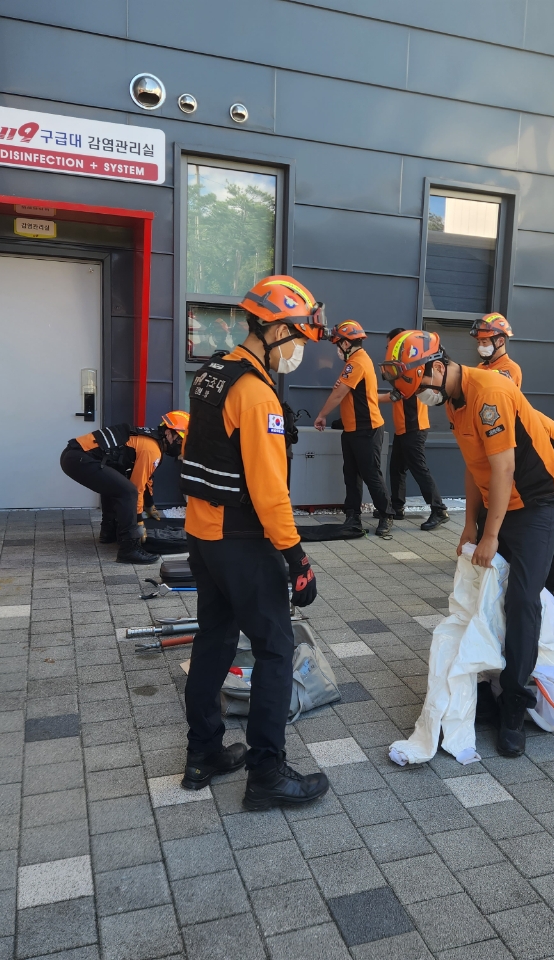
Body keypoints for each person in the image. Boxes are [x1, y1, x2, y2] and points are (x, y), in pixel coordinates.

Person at [380, 330, 554, 757]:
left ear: (437, 367)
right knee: (485, 595)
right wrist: (469, 525)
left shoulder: (489, 393)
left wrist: (490, 535)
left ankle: (515, 703)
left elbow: (503, 469)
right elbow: (474, 464)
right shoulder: (453, 399)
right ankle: (489, 677)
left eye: (419, 386)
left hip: (539, 503)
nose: (419, 397)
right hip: (501, 502)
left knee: (521, 599)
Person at [180, 274, 329, 810]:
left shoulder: (212, 374)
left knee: (214, 641)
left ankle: (203, 754)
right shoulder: (258, 395)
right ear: (274, 329)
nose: (300, 351)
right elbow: (270, 492)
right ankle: (267, 773)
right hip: (244, 542)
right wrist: (297, 557)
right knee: (274, 650)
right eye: (297, 338)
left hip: (203, 535)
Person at [60, 412, 187, 564]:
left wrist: (149, 504)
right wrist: (139, 522)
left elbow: (146, 479)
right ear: (169, 433)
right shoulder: (152, 449)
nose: (181, 446)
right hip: (78, 459)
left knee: (116, 484)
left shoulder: (150, 441)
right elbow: (137, 488)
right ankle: (129, 549)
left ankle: (108, 532)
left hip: (74, 455)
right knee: (128, 492)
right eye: (181, 441)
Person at [314, 319, 393, 537]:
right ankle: (352, 515)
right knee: (351, 474)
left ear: (347, 343)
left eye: (338, 344)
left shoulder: (357, 362)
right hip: (353, 429)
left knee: (371, 474)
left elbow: (339, 394)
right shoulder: (356, 362)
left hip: (366, 428)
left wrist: (322, 415)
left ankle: (386, 515)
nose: (337, 349)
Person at [381, 327, 448, 531]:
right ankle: (397, 507)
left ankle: (439, 510)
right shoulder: (401, 370)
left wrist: (367, 398)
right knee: (396, 469)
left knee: (419, 469)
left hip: (414, 428)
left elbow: (396, 396)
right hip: (403, 429)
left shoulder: (410, 371)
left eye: (391, 345)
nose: (389, 350)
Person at [472, 312, 522, 387]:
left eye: (484, 342)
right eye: (478, 342)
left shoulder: (511, 368)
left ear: (500, 341)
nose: (480, 346)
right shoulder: (481, 366)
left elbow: (492, 386)